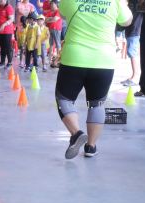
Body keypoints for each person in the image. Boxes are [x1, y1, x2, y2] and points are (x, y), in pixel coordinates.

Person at [55, 0, 132, 159]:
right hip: (103, 61)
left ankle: (76, 133)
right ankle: (90, 147)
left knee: (65, 99)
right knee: (96, 103)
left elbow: (62, 13)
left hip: (74, 58)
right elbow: (127, 21)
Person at [120, 0, 143, 86]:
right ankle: (133, 75)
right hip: (130, 29)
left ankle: (135, 77)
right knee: (131, 52)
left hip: (135, 29)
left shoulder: (139, 2)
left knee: (132, 52)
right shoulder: (130, 2)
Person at [0, 0, 15, 69]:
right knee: (2, 47)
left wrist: (4, 24)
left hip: (7, 31)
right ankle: (2, 62)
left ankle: (9, 62)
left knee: (8, 47)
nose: (1, 0)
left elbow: (11, 19)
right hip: (0, 31)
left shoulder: (9, 7)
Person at [45, 0, 61, 65]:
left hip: (56, 29)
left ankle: (58, 59)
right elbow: (45, 20)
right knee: (50, 45)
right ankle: (50, 59)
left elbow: (55, 19)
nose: (51, 5)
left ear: (56, 4)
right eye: (51, 4)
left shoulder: (59, 11)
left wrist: (50, 19)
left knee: (58, 44)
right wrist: (51, 19)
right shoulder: (50, 12)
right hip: (50, 29)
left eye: (52, 4)